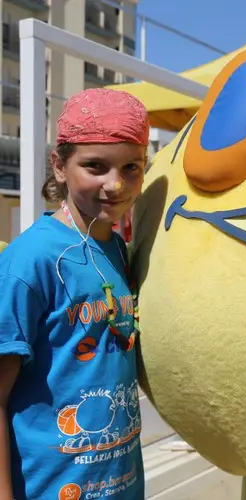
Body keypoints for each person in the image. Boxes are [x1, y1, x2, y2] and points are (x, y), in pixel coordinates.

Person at [0, 88, 149, 500]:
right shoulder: (30, 260)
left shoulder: (119, 251)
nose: (115, 184)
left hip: (122, 485)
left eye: (131, 168)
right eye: (95, 166)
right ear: (60, 165)